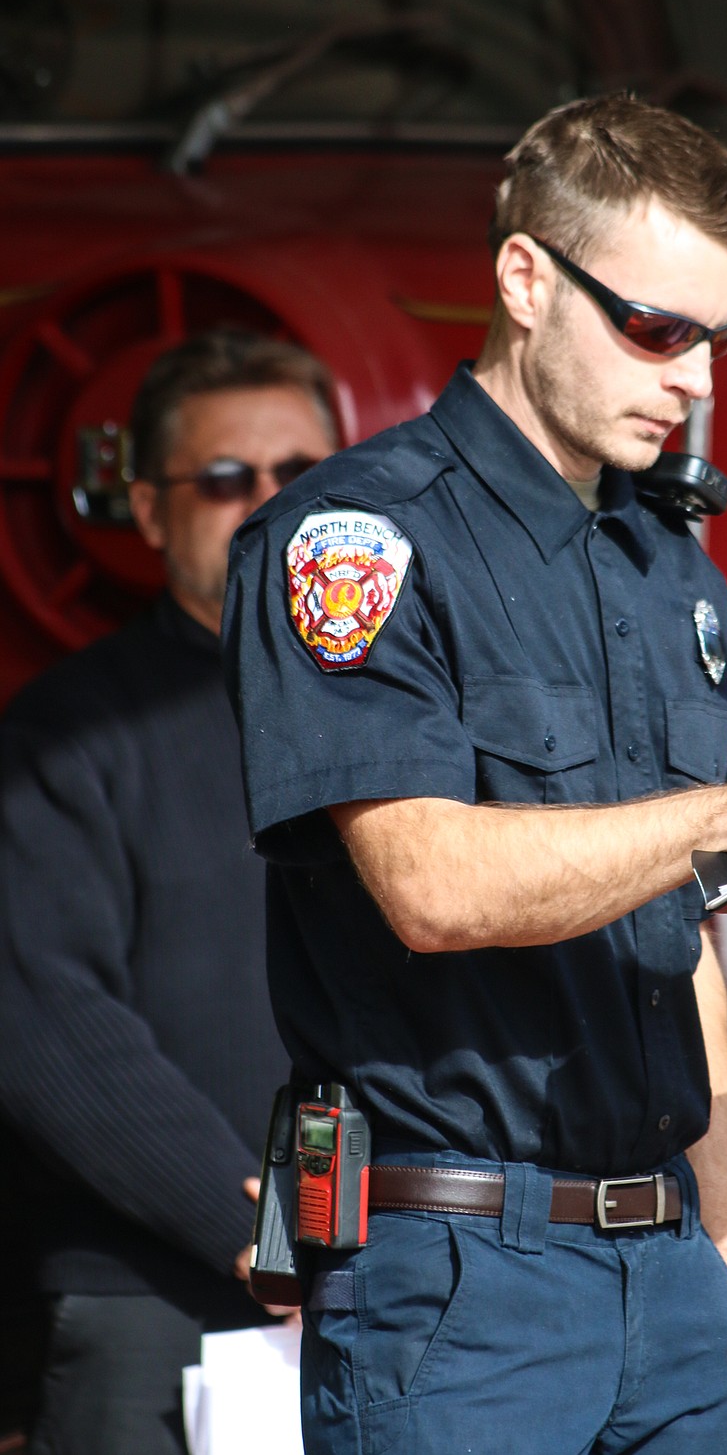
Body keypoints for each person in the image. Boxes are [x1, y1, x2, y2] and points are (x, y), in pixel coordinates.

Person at [221, 92, 727, 1455]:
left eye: (720, 337)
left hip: (665, 1264)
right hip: (458, 1275)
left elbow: (676, 938)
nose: (697, 379)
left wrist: (725, 1240)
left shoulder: (669, 562)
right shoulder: (355, 538)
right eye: (657, 329)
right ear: (525, 278)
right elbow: (426, 882)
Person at [0, 329, 339, 1455]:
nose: (270, 502)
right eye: (226, 479)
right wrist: (251, 1224)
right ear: (148, 511)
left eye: (301, 473)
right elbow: (42, 1018)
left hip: (395, 1298)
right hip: (150, 1307)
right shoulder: (68, 733)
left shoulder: (413, 719)